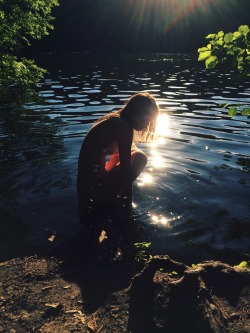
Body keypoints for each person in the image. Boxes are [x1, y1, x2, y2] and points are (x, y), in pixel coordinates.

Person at [77, 92, 159, 223]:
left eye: (149, 121)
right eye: (146, 120)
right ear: (135, 114)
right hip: (92, 193)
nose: (146, 125)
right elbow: (126, 171)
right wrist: (129, 205)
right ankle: (108, 200)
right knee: (141, 158)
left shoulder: (115, 121)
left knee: (132, 153)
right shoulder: (123, 128)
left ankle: (109, 197)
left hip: (85, 189)